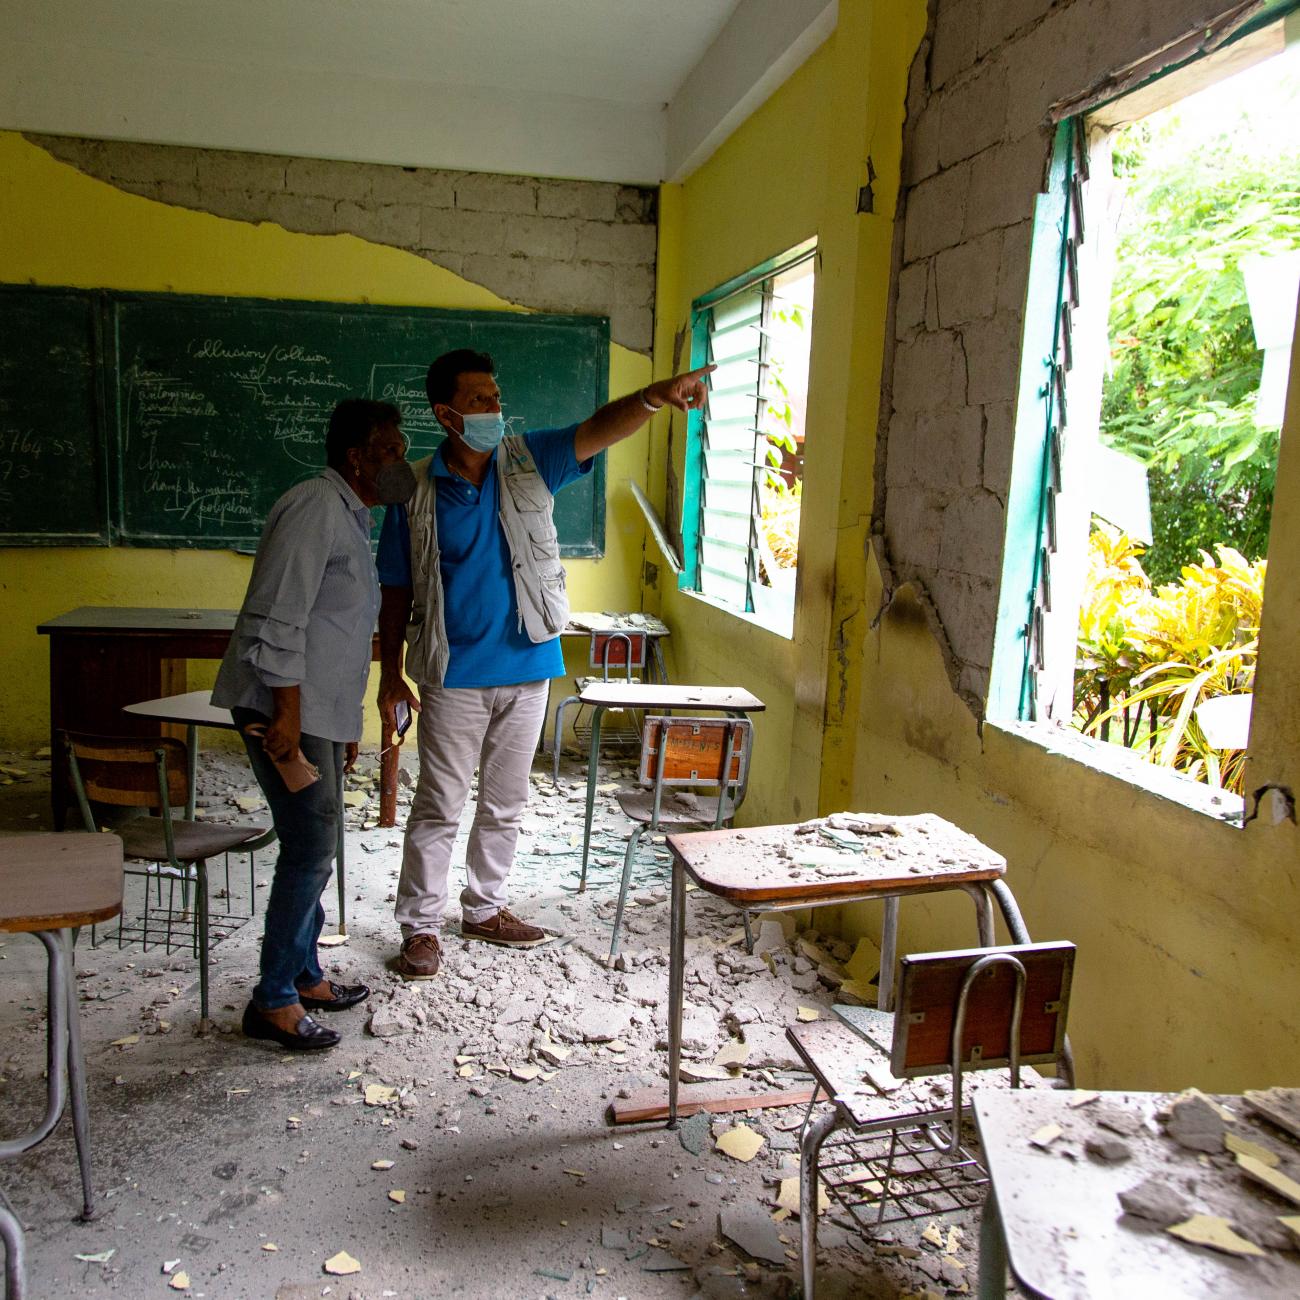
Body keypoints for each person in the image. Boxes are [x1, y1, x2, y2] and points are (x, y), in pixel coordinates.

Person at [377, 350, 712, 979]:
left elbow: (598, 428)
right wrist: (391, 672)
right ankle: (421, 926)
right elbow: (395, 587)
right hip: (451, 674)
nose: (493, 408)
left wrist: (654, 397)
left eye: (496, 395)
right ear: (445, 414)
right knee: (440, 803)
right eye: (478, 399)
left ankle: (484, 908)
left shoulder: (532, 460)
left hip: (530, 664)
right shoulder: (414, 489)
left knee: (506, 800)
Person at [213, 398, 415, 1049]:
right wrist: (291, 716)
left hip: (313, 711)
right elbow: (280, 616)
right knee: (309, 841)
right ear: (355, 457)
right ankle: (271, 1000)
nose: (400, 463)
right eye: (389, 450)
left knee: (319, 839)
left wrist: (342, 721)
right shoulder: (313, 506)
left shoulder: (352, 519)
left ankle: (302, 974)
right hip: (281, 708)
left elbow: (340, 633)